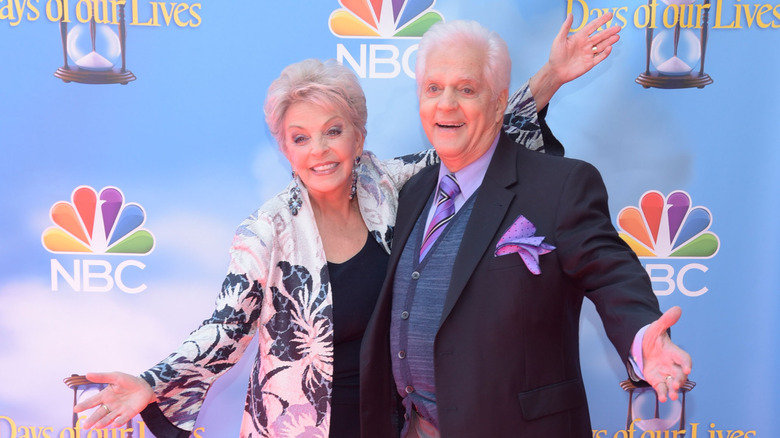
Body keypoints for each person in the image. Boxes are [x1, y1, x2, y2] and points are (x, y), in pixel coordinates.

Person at [71, 14, 622, 438]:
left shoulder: (395, 188)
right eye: (300, 137)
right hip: (303, 425)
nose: (319, 152)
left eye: (332, 131)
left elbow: (473, 134)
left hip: (390, 422)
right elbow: (225, 328)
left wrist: (551, 76)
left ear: (358, 138)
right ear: (285, 148)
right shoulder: (267, 230)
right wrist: (150, 382)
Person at [359, 19, 692, 438]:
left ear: (499, 103)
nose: (445, 105)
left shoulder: (560, 186)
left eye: (466, 89)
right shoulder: (414, 191)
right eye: (432, 88)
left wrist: (642, 335)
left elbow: (611, 271)